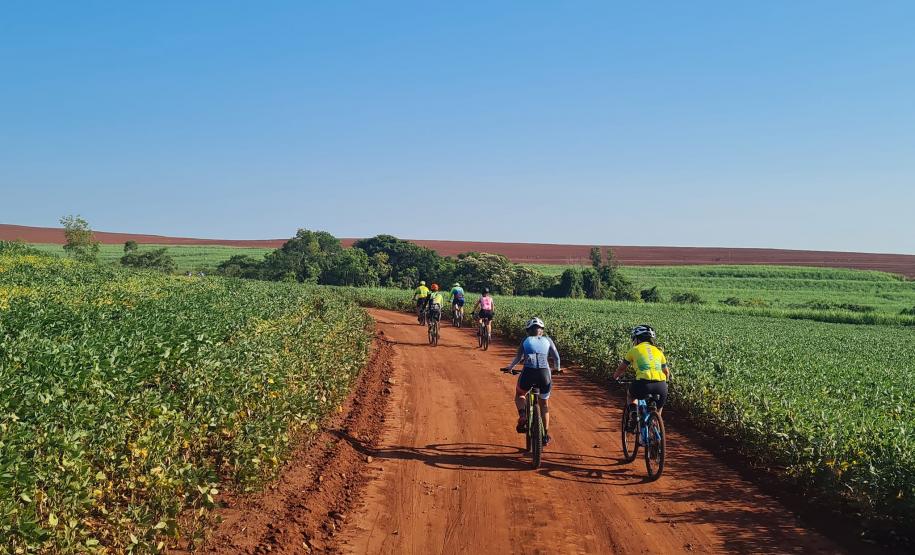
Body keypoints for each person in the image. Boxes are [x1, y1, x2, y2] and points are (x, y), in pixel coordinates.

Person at [503, 318, 561, 446]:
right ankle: (545, 435)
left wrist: (510, 368)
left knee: (520, 394)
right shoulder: (548, 340)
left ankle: (523, 415)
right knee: (544, 405)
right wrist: (557, 369)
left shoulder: (525, 340)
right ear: (541, 331)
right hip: (544, 374)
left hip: (528, 373)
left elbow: (518, 357)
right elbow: (556, 357)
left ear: (528, 331)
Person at [612, 325, 671, 428]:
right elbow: (666, 372)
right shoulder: (659, 351)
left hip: (643, 384)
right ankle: (656, 429)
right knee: (658, 410)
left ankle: (633, 413)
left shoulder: (634, 350)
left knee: (631, 395)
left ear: (637, 339)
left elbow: (622, 368)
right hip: (661, 386)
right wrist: (666, 382)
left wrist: (615, 377)